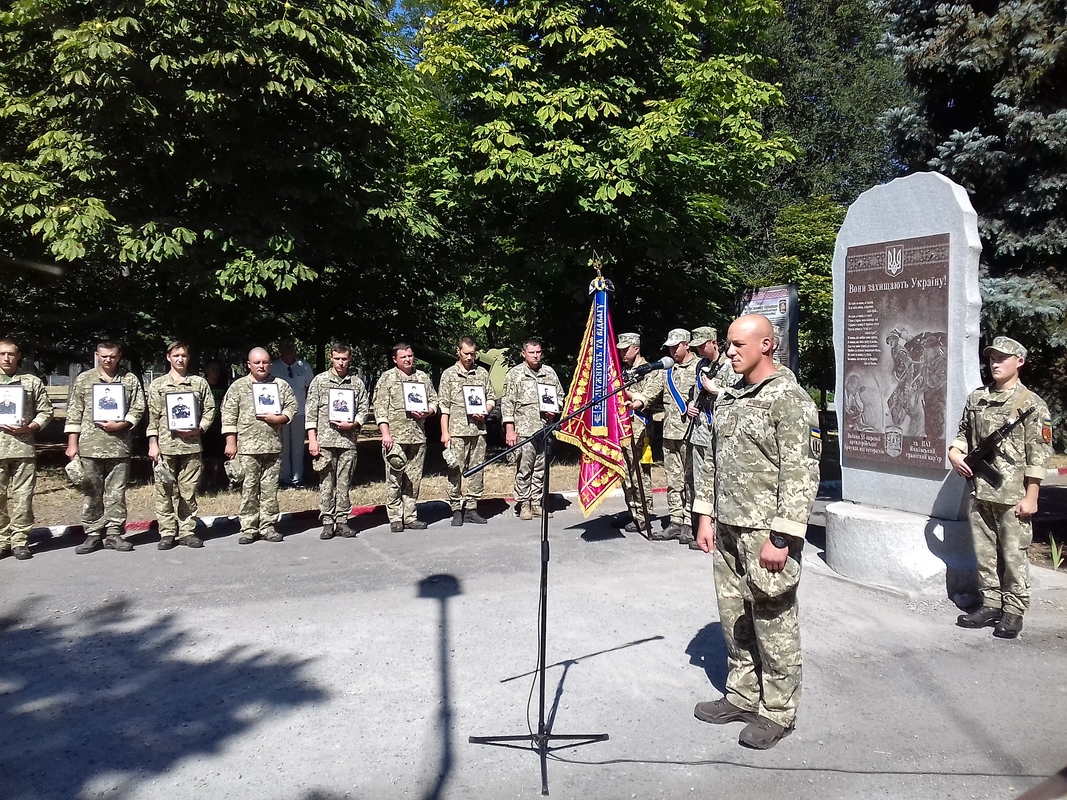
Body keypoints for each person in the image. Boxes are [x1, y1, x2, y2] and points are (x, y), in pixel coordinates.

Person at [692, 314, 820, 750]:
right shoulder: (730, 396)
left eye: (737, 345)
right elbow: (713, 458)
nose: (729, 352)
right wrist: (706, 515)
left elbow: (801, 474)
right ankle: (744, 695)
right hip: (727, 525)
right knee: (734, 617)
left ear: (766, 344)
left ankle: (779, 711)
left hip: (766, 532)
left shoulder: (790, 399)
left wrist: (781, 537)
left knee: (773, 617)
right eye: (727, 344)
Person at [948, 336, 1052, 640]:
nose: (995, 363)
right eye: (992, 358)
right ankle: (991, 603)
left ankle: (1013, 610)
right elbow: (963, 434)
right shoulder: (976, 399)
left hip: (1013, 495)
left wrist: (1032, 496)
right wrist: (955, 453)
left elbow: (1039, 454)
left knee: (1013, 554)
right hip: (979, 489)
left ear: (1019, 362)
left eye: (1003, 358)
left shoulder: (1031, 404)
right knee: (984, 554)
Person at [66, 341, 147, 554]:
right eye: (103, 356)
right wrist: (72, 443)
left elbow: (139, 408)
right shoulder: (84, 379)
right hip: (90, 445)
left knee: (116, 492)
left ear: (119, 356)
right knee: (91, 491)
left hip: (119, 445)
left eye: (112, 356)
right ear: (96, 355)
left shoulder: (129, 380)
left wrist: (123, 423)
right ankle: (92, 534)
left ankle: (113, 533)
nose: (107, 359)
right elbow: (74, 411)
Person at [221, 347, 298, 544]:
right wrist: (231, 443)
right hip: (247, 449)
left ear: (270, 363)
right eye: (257, 363)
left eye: (265, 362)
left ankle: (268, 526)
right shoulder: (238, 387)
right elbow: (228, 415)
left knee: (270, 490)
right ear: (249, 365)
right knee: (248, 490)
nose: (261, 366)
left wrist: (279, 418)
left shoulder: (280, 385)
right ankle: (248, 527)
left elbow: (292, 407)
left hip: (272, 446)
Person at [146, 341, 217, 550]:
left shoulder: (198, 383)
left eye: (184, 356)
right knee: (164, 491)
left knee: (188, 492)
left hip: (191, 446)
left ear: (189, 358)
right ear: (168, 357)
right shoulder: (158, 385)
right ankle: (167, 532)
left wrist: (200, 428)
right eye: (176, 355)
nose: (180, 359)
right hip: (166, 446)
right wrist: (153, 443)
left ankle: (187, 531)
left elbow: (210, 409)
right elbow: (152, 417)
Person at [639, 328, 700, 543]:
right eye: (670, 347)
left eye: (676, 346)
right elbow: (652, 391)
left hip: (692, 433)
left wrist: (698, 406)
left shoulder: (700, 367)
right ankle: (675, 521)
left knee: (690, 480)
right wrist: (639, 401)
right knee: (673, 480)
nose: (673, 351)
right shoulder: (667, 369)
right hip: (670, 432)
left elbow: (710, 395)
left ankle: (690, 523)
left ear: (687, 345)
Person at [372, 343, 438, 532]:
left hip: (417, 436)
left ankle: (410, 516)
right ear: (395, 359)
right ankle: (395, 517)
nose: (408, 359)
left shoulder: (422, 377)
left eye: (410, 356)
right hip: (395, 437)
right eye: (404, 357)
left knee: (413, 480)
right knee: (394, 478)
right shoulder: (387, 378)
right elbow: (380, 408)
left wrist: (429, 411)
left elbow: (435, 400)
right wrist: (385, 434)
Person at [306, 343, 369, 540]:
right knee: (326, 483)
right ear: (331, 358)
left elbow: (364, 410)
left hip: (347, 441)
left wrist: (354, 424)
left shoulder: (356, 383)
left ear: (349, 359)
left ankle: (342, 520)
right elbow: (311, 411)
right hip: (325, 441)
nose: (341, 362)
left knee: (344, 483)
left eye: (344, 359)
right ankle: (327, 521)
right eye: (337, 358)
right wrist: (312, 439)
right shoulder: (320, 381)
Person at [0, 339, 54, 561]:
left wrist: (30, 427)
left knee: (23, 498)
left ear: (18, 356)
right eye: (2, 354)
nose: (6, 358)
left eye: (11, 354)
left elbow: (46, 411)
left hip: (23, 448)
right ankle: (2, 540)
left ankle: (20, 541)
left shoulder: (31, 382)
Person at [502, 338, 565, 521]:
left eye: (538, 352)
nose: (536, 356)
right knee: (524, 468)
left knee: (541, 468)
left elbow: (560, 395)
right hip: (524, 431)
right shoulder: (515, 374)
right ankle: (524, 504)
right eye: (532, 352)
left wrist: (555, 409)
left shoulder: (549, 373)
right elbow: (507, 404)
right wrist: (509, 430)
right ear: (524, 354)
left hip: (544, 430)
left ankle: (537, 503)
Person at [438, 336, 495, 526]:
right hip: (457, 431)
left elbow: (491, 399)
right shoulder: (449, 375)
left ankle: (471, 508)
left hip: (478, 431)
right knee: (455, 470)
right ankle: (455, 508)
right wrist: (445, 432)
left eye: (473, 354)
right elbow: (444, 407)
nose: (470, 357)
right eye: (466, 353)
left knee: (477, 470)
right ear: (458, 351)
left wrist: (484, 412)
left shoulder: (482, 374)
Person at [616, 332, 661, 533]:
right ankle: (632, 511)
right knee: (625, 473)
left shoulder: (650, 371)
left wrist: (632, 397)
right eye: (621, 350)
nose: (623, 353)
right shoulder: (622, 372)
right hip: (622, 429)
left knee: (640, 474)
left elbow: (649, 396)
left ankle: (644, 514)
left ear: (637, 348)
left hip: (640, 430)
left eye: (626, 349)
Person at [270, 338, 314, 487]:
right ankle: (284, 477)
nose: (289, 348)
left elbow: (310, 389)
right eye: (285, 345)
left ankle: (297, 478)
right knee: (282, 445)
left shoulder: (304, 367)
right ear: (280, 348)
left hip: (300, 412)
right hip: (279, 414)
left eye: (291, 345)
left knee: (298, 447)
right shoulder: (273, 367)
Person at [201, 360, 229, 489]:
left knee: (218, 455)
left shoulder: (224, 386)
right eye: (212, 368)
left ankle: (216, 480)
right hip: (204, 424)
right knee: (205, 454)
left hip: (220, 423)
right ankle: (203, 481)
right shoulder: (201, 386)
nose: (215, 371)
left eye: (217, 368)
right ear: (206, 370)